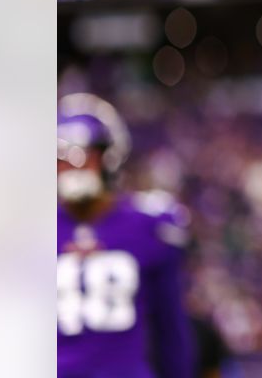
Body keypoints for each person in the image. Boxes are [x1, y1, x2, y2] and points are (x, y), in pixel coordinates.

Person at [57, 93, 196, 378]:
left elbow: (171, 331)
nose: (73, 167)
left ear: (109, 157)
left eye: (84, 156)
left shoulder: (148, 226)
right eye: (62, 157)